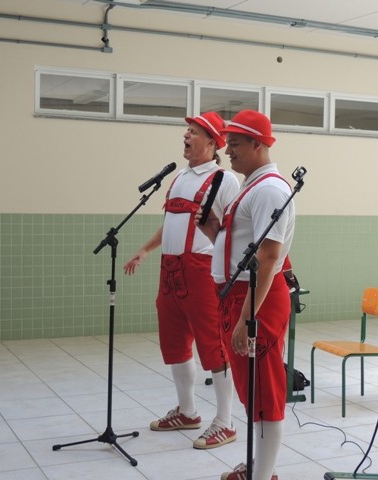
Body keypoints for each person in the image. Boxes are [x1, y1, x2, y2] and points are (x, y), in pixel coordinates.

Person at [123, 112, 240, 450]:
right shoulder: (179, 178)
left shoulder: (224, 180)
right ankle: (188, 411)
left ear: (212, 142)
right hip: (170, 271)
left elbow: (232, 229)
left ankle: (225, 421)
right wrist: (145, 250)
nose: (186, 136)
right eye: (186, 131)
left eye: (193, 132)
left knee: (213, 347)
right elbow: (172, 224)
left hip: (202, 273)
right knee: (174, 344)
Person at [196, 110, 295, 480]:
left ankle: (263, 474)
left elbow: (268, 258)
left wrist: (247, 319)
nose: (228, 151)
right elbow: (243, 248)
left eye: (235, 144)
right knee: (251, 390)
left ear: (258, 144)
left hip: (256, 299)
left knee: (265, 393)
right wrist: (213, 230)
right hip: (238, 296)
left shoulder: (269, 190)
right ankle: (258, 466)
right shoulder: (253, 186)